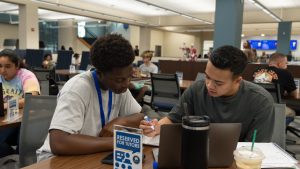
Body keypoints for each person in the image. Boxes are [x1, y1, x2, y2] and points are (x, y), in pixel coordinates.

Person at [37, 34, 144, 160]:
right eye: (120, 79)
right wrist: (118, 142)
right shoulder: (77, 89)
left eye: (129, 77)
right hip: (55, 158)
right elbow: (59, 143)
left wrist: (122, 121)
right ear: (99, 73)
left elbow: (140, 117)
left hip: (93, 152)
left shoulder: (119, 88)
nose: (126, 84)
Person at [140, 45, 275, 142]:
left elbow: (255, 149)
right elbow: (172, 118)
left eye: (218, 83)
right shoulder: (196, 90)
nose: (209, 85)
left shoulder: (260, 101)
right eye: (207, 77)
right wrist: (156, 127)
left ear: (237, 81)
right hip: (197, 153)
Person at [0, 49, 40, 158]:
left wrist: (5, 106)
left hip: (22, 121)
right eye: (0, 66)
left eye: (7, 66)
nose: (3, 70)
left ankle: (16, 159)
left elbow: (31, 98)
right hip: (4, 119)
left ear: (17, 65)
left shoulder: (26, 75)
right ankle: (12, 159)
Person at [253, 53, 297, 123]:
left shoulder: (256, 71)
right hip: (274, 108)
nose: (286, 66)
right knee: (291, 113)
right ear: (279, 64)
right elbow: (294, 95)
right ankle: (277, 131)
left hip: (256, 107)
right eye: (285, 64)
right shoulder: (285, 73)